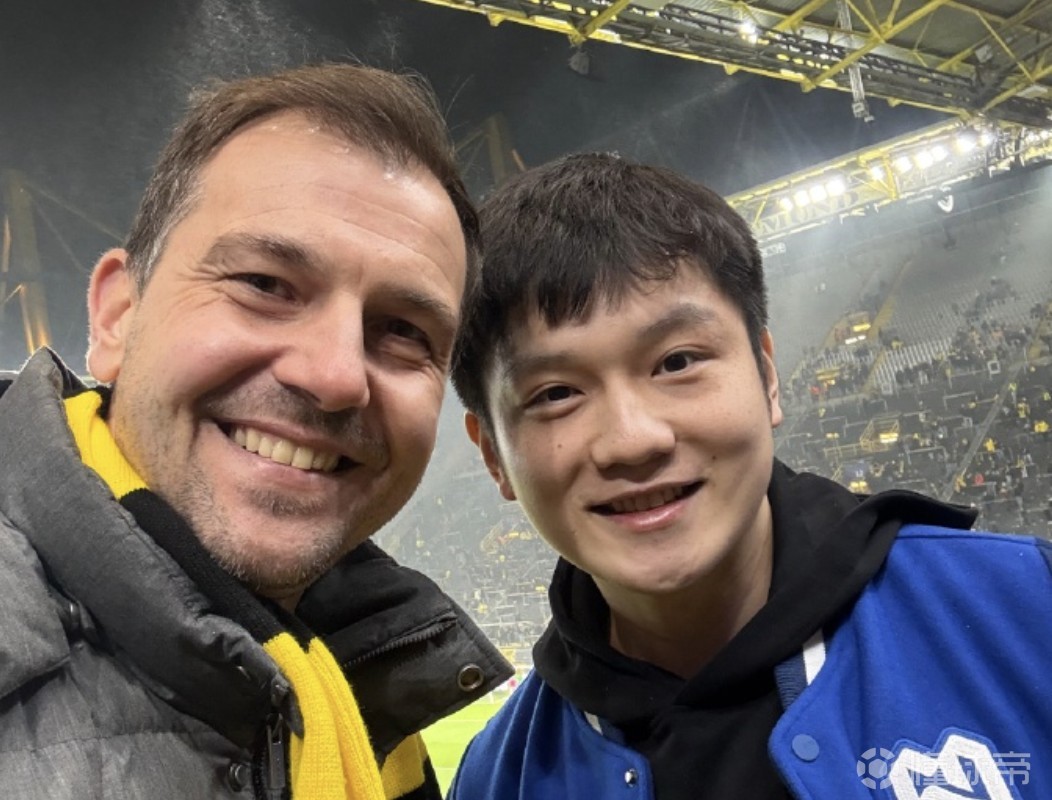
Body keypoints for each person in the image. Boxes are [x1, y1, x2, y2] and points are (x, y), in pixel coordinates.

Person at [447, 153, 1052, 799]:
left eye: (677, 362)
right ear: (493, 457)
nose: (632, 440)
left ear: (767, 376)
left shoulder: (1028, 609)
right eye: (555, 394)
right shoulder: (494, 780)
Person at [0, 63, 511, 799]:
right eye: (265, 285)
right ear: (117, 316)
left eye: (403, 331)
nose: (335, 376)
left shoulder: (362, 681)